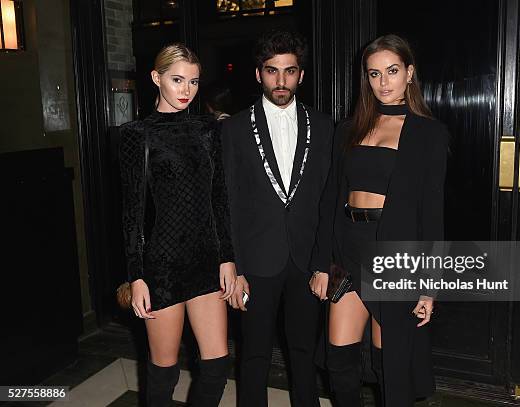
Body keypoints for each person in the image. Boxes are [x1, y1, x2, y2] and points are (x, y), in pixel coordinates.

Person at [324, 34, 449, 406]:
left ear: (409, 73)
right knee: (338, 359)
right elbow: (331, 199)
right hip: (347, 248)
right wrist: (320, 264)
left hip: (393, 255)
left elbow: (432, 212)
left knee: (390, 365)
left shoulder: (428, 133)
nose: (383, 82)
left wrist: (430, 285)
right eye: (374, 73)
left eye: (392, 71)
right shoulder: (348, 129)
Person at [119, 43, 236, 407]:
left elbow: (220, 199)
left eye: (194, 82)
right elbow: (132, 211)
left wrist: (227, 258)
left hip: (205, 260)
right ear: (156, 79)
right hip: (162, 266)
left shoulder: (208, 130)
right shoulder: (138, 134)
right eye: (177, 80)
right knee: (163, 373)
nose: (186, 90)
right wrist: (136, 274)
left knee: (217, 366)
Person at [221, 30, 334, 407]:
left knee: (304, 353)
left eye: (289, 71)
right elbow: (229, 202)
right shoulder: (234, 129)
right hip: (255, 262)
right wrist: (233, 267)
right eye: (272, 71)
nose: (281, 81)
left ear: (301, 75)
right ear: (258, 74)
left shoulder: (324, 126)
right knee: (253, 356)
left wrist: (323, 263)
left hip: (305, 261)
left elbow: (327, 200)